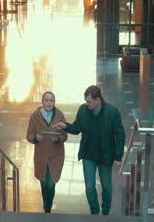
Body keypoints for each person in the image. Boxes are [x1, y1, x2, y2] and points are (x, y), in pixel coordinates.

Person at [52, 85, 125, 215]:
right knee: (89, 186)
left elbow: (120, 134)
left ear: (98, 100)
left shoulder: (112, 112)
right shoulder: (83, 110)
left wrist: (118, 157)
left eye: (89, 101)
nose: (87, 104)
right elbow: (76, 128)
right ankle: (95, 212)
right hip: (88, 155)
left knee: (107, 186)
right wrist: (65, 126)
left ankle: (106, 212)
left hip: (105, 156)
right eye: (86, 101)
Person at [26, 91, 68, 213]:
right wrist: (35, 138)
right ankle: (46, 205)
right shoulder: (35, 116)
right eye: (46, 100)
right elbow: (28, 135)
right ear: (42, 102)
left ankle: (48, 208)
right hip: (41, 155)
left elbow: (65, 136)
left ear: (54, 102)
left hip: (56, 155)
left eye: (51, 100)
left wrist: (58, 138)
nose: (49, 103)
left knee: (51, 183)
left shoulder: (60, 115)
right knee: (44, 184)